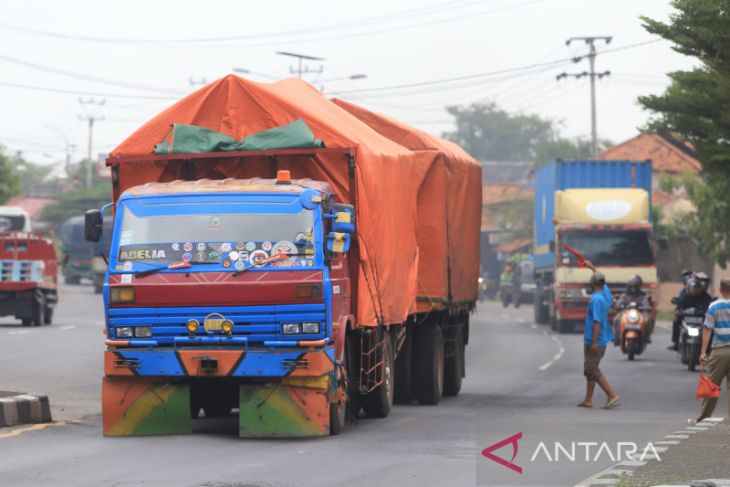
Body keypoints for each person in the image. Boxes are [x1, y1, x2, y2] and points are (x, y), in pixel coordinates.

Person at [689, 278, 730, 425]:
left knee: (712, 385)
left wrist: (702, 352)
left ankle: (702, 418)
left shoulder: (714, 306)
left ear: (720, 290)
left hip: (719, 351)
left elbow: (707, 329)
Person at [578, 271, 621, 409]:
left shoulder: (596, 299)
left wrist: (594, 342)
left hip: (596, 339)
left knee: (592, 369)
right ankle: (588, 399)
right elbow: (604, 283)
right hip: (602, 338)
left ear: (594, 284)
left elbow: (597, 322)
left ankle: (612, 395)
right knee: (590, 370)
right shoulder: (605, 295)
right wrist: (591, 268)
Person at [669, 276, 713, 351]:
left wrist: (708, 311)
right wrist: (679, 310)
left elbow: (710, 305)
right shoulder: (685, 297)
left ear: (700, 288)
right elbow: (680, 306)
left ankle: (709, 345)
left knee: (711, 326)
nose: (694, 290)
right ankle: (676, 342)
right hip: (687, 320)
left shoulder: (705, 297)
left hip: (701, 320)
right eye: (692, 288)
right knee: (676, 320)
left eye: (696, 287)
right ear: (688, 288)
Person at [613, 275, 652, 345]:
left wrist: (647, 307)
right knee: (616, 319)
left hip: (640, 313)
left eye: (634, 287)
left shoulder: (642, 295)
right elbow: (620, 301)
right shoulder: (624, 295)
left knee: (648, 319)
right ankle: (617, 337)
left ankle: (647, 336)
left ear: (638, 287)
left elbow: (645, 302)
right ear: (628, 287)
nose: (633, 289)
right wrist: (618, 305)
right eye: (631, 287)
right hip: (625, 313)